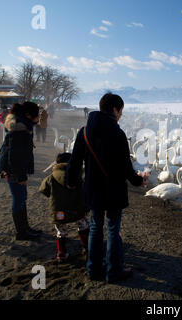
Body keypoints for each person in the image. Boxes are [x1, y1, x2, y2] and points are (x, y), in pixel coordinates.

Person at [66, 92, 148, 283]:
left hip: (93, 189)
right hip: (113, 190)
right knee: (112, 229)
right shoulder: (118, 134)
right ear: (114, 109)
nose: (121, 115)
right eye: (121, 111)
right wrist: (139, 181)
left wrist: (71, 181)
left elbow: (75, 161)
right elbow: (126, 168)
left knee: (95, 227)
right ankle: (113, 271)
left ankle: (93, 269)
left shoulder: (84, 132)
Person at [0, 102, 42, 240]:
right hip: (13, 170)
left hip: (14, 169)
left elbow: (38, 124)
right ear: (29, 115)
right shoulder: (19, 129)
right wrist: (20, 176)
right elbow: (14, 156)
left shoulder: (23, 124)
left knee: (22, 197)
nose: (39, 117)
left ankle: (25, 228)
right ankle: (21, 232)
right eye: (37, 115)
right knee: (19, 199)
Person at [39, 153, 90, 262]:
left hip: (59, 211)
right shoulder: (76, 175)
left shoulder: (51, 177)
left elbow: (44, 190)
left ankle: (61, 253)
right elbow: (83, 192)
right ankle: (86, 247)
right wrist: (86, 207)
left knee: (61, 231)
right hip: (76, 208)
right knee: (83, 225)